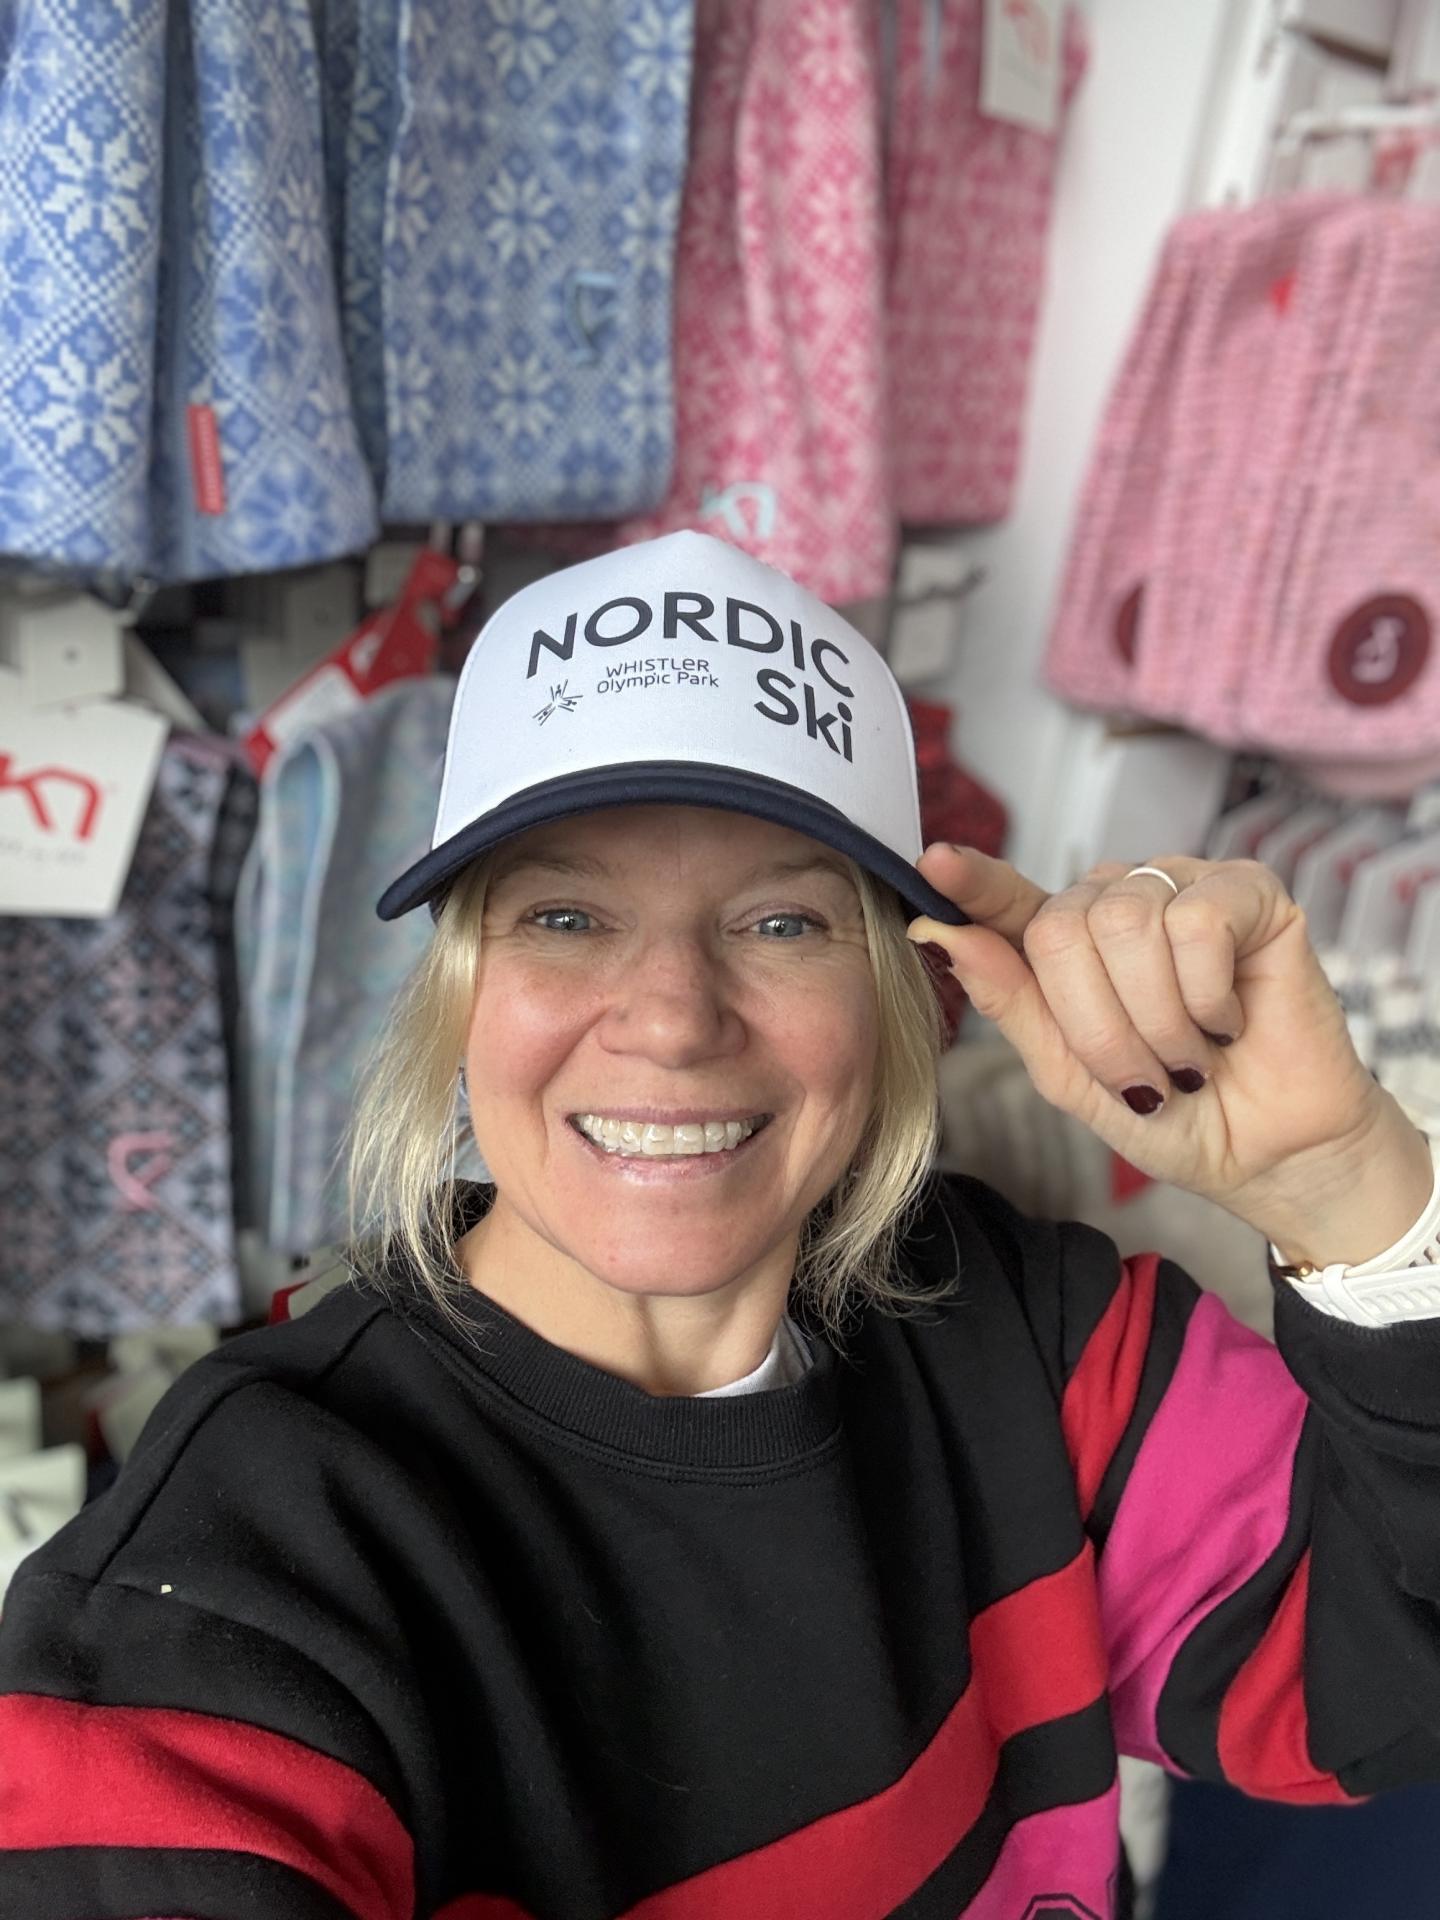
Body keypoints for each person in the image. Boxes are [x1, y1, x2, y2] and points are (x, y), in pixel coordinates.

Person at [2, 530, 1438, 1920]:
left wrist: (1342, 1187)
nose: (677, 1021)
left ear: (893, 993)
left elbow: (1389, 1685)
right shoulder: (254, 1565)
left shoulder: (1037, 1339)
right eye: (566, 917)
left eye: (780, 923)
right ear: (457, 996)